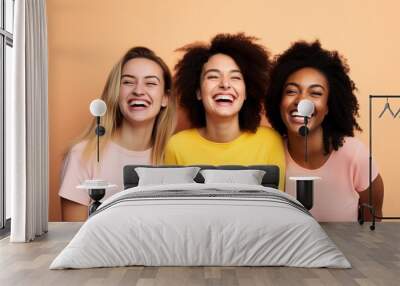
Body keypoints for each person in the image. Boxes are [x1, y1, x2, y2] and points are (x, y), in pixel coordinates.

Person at [264, 40, 384, 221]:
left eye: (316, 93)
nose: (302, 102)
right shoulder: (268, 153)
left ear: (329, 106)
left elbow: (373, 230)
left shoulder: (355, 155)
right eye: (291, 91)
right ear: (279, 101)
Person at [59, 47, 176, 221]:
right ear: (116, 91)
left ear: (165, 98)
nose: (138, 91)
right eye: (128, 82)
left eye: (150, 83)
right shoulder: (82, 154)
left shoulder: (175, 156)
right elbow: (73, 237)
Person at [164, 33, 285, 190]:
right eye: (213, 76)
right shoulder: (176, 146)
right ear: (198, 92)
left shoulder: (269, 141)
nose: (225, 84)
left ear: (247, 91)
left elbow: (276, 207)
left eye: (235, 77)